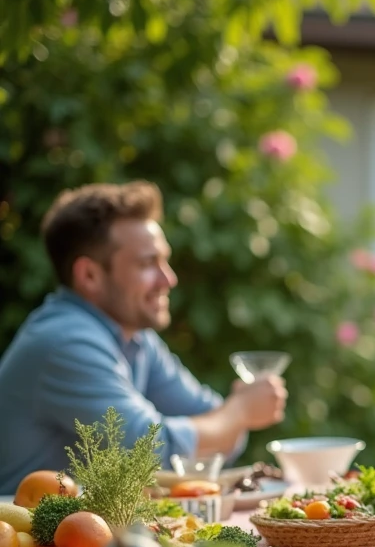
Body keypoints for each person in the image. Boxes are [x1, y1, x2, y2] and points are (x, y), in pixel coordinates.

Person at [0, 181, 288, 493]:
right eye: (148, 263)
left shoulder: (135, 337)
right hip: (24, 537)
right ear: (89, 276)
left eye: (165, 260)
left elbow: (213, 427)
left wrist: (231, 418)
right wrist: (240, 411)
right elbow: (150, 453)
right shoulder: (65, 342)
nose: (169, 278)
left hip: (90, 534)